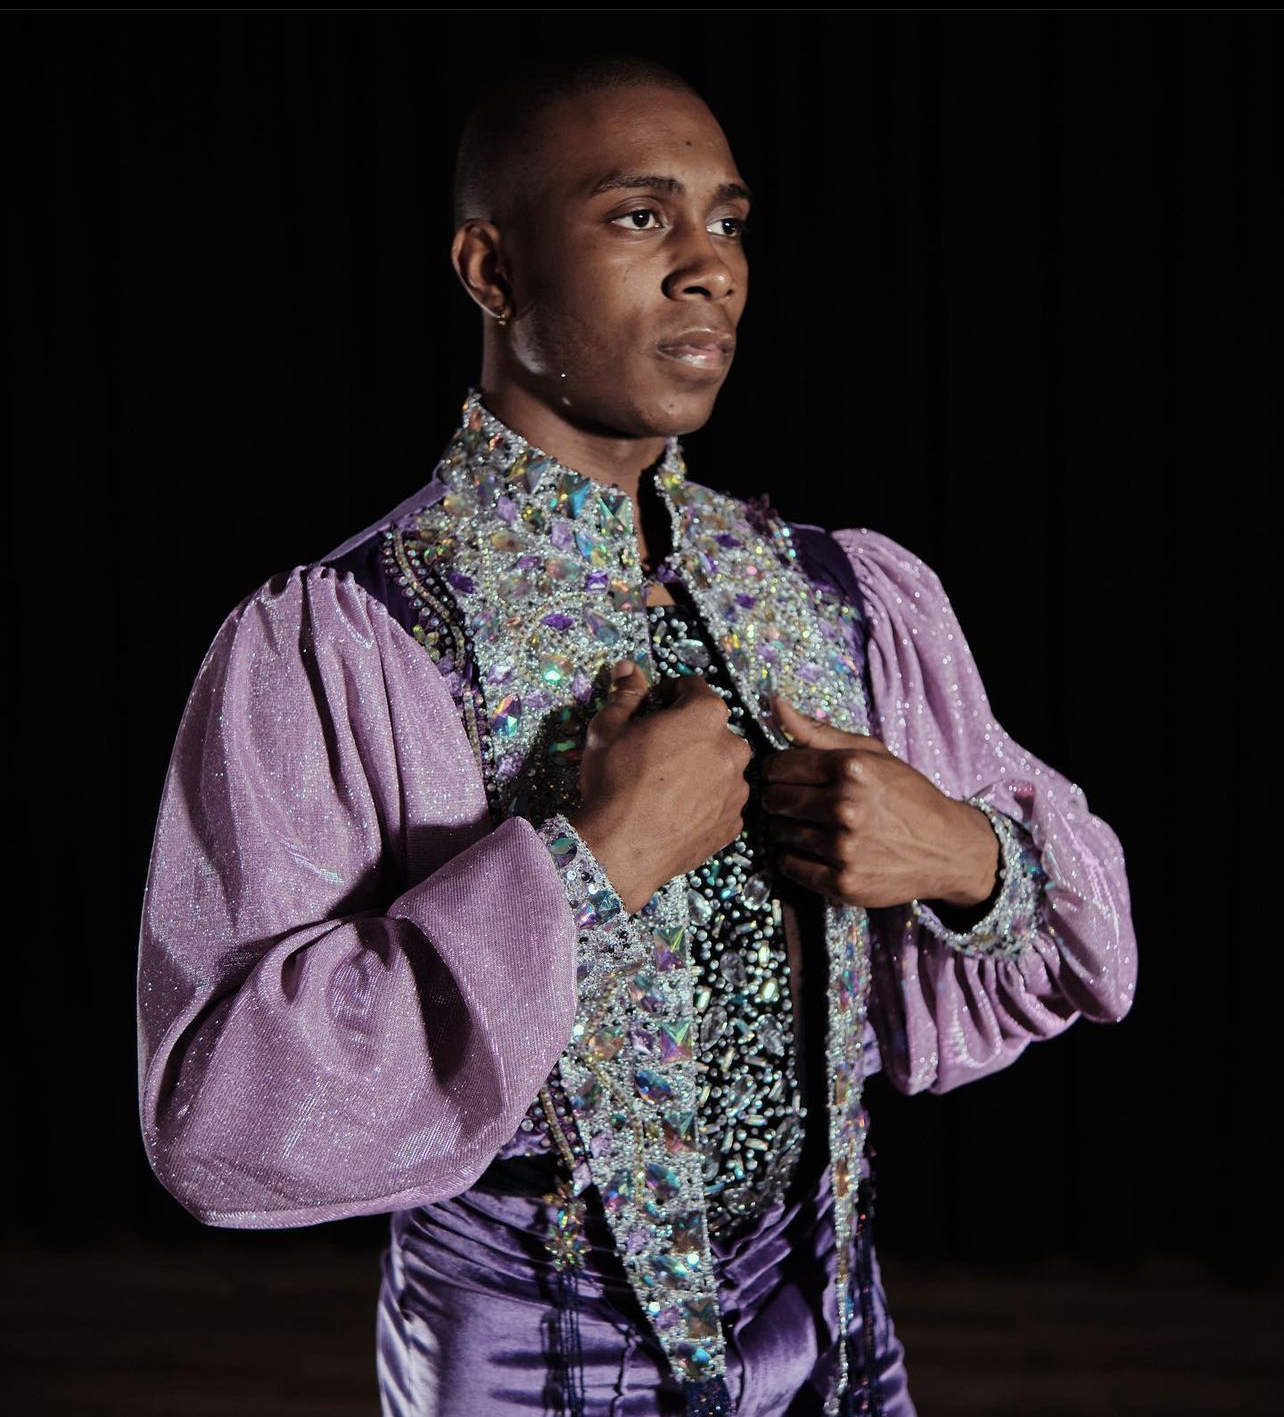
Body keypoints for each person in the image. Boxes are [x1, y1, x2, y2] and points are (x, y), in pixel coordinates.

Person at [136, 55, 1137, 1417]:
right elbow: (220, 1116)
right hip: (524, 1366)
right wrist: (590, 860)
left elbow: (1091, 934)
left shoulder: (836, 593)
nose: (709, 268)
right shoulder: (351, 637)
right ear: (492, 269)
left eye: (728, 222)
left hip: (834, 1332)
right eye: (638, 216)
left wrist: (969, 856)